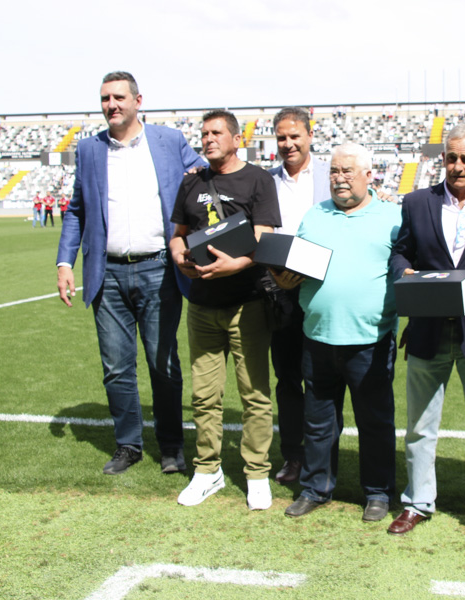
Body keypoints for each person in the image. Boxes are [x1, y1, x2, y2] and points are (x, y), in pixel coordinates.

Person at [56, 71, 205, 475]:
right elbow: (76, 211)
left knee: (164, 363)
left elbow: (206, 176)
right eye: (105, 98)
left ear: (139, 100)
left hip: (159, 269)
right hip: (108, 274)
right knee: (116, 366)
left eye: (119, 97)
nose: (112, 105)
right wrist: (65, 262)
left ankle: (172, 445)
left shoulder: (169, 142)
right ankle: (128, 444)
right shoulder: (88, 150)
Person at [387, 125, 465, 542]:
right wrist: (401, 271)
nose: (458, 166)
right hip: (427, 330)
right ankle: (417, 502)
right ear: (442, 159)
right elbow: (402, 249)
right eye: (451, 158)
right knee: (420, 426)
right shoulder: (417, 201)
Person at [278, 142, 400, 523]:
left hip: (370, 339)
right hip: (317, 335)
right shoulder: (314, 216)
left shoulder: (393, 217)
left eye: (348, 171)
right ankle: (316, 487)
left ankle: (378, 492)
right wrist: (281, 275)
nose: (340, 178)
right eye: (333, 171)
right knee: (318, 421)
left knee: (375, 421)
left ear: (369, 175)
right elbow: (294, 270)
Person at [168, 110, 281, 510]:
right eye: (204, 133)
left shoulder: (258, 179)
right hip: (201, 305)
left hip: (246, 303)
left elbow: (264, 238)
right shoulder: (192, 182)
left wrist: (236, 264)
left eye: (217, 133)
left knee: (254, 393)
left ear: (236, 139)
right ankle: (207, 470)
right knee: (204, 395)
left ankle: (256, 473)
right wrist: (179, 256)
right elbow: (178, 235)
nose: (209, 139)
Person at [267, 107, 331, 484]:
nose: (288, 144)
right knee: (288, 378)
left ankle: (324, 455)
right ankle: (293, 456)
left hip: (324, 289)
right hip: (280, 291)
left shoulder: (331, 173)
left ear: (309, 135)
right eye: (281, 138)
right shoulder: (265, 181)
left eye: (294, 136)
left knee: (323, 379)